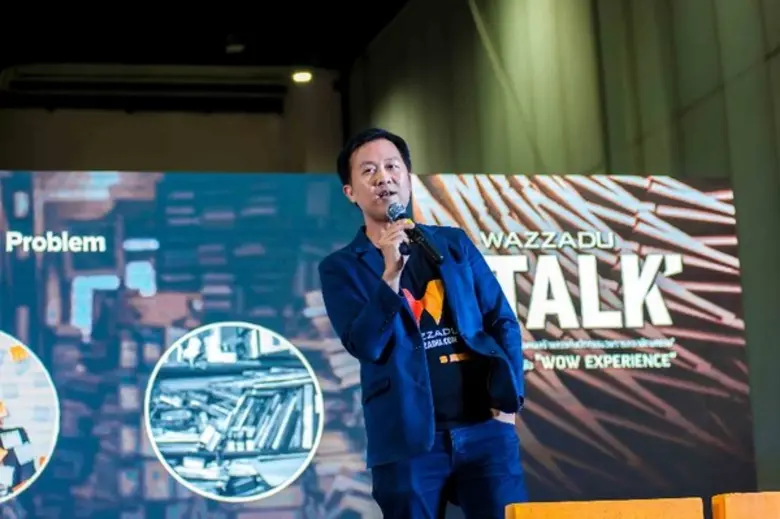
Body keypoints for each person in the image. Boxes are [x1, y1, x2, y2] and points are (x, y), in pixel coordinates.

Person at [319, 128, 527, 518]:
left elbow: (502, 320)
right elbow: (365, 344)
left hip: (485, 431)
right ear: (350, 192)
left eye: (392, 166)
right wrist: (390, 276)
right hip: (406, 442)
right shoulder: (341, 267)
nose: (383, 178)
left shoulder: (452, 244)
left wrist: (508, 403)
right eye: (369, 171)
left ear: (408, 178)